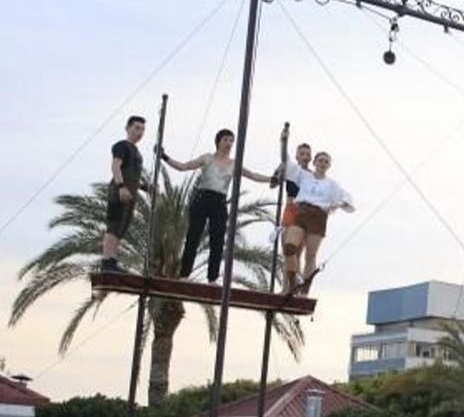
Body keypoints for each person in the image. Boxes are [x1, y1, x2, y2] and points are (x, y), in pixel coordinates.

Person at [157, 128, 275, 282]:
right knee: (193, 236)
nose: (229, 143)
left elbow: (252, 175)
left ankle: (212, 278)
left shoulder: (234, 163)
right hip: (202, 198)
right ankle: (185, 274)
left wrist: (271, 179)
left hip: (219, 201)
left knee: (218, 240)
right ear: (218, 141)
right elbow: (183, 167)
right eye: (226, 140)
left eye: (231, 140)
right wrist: (164, 157)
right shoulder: (207, 158)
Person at [275, 125, 355, 292]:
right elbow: (285, 160)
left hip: (318, 217)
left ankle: (304, 291)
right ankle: (292, 281)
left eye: (326, 161)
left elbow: (346, 200)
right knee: (289, 247)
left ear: (329, 165)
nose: (323, 163)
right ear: (315, 162)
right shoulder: (304, 175)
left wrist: (333, 206)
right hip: (301, 212)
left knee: (310, 256)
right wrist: (284, 140)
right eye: (320, 160)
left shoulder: (332, 184)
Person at [100, 115, 147, 272]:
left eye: (142, 129)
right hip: (119, 192)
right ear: (128, 128)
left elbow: (132, 176)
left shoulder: (137, 153)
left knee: (121, 227)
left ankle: (112, 260)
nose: (139, 132)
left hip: (130, 194)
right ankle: (107, 262)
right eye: (136, 128)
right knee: (113, 226)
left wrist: (146, 187)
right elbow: (115, 167)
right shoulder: (122, 146)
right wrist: (121, 186)